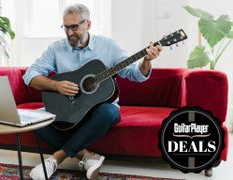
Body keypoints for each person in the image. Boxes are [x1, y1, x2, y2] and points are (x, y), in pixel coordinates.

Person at [23, 3, 162, 180]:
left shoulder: (108, 46)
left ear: (88, 24)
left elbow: (133, 73)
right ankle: (87, 157)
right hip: (70, 109)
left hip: (98, 110)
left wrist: (146, 61)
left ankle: (55, 159)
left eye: (74, 27)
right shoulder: (56, 48)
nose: (69, 33)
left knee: (110, 112)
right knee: (35, 120)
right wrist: (55, 85)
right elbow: (29, 75)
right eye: (65, 27)